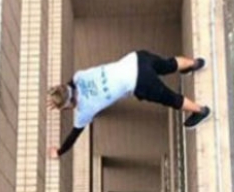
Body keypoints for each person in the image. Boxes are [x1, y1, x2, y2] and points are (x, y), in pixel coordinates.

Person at [46, 50, 211, 159]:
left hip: (140, 81)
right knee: (167, 65)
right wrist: (61, 99)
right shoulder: (78, 77)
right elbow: (69, 86)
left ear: (68, 106)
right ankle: (196, 63)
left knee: (171, 98)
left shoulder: (84, 111)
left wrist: (59, 152)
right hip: (137, 58)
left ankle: (201, 111)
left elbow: (73, 136)